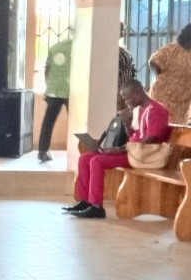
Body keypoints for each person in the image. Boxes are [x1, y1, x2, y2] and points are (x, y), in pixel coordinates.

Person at [64, 78, 171, 218]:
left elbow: (149, 141)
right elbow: (135, 136)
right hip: (133, 151)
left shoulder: (157, 110)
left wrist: (121, 150)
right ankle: (85, 201)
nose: (126, 102)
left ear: (138, 94)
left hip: (145, 156)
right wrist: (126, 124)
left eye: (127, 98)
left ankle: (96, 207)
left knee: (97, 161)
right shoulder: (140, 109)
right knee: (85, 158)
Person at [37, 35, 72, 162]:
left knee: (48, 121)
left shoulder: (55, 47)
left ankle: (42, 151)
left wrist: (49, 86)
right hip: (72, 90)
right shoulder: (79, 47)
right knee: (76, 124)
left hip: (54, 90)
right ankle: (77, 152)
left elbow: (47, 69)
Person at [148, 23, 191, 123]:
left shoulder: (174, 49)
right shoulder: (173, 49)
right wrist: (163, 79)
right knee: (159, 125)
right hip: (162, 97)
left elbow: (154, 61)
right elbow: (153, 61)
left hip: (181, 102)